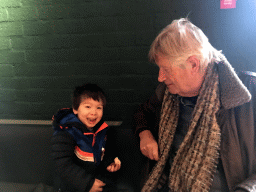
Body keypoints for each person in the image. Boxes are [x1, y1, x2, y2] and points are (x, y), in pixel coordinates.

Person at [133, 18, 256, 192]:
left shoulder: (247, 94)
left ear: (193, 64)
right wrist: (145, 135)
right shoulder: (167, 92)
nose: (160, 77)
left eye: (166, 70)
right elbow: (141, 113)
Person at [51, 83, 133, 192]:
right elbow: (62, 164)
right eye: (88, 107)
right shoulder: (66, 132)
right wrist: (87, 183)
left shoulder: (102, 131)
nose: (94, 112)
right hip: (73, 185)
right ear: (75, 109)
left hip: (96, 180)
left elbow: (106, 152)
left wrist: (110, 162)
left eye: (99, 108)